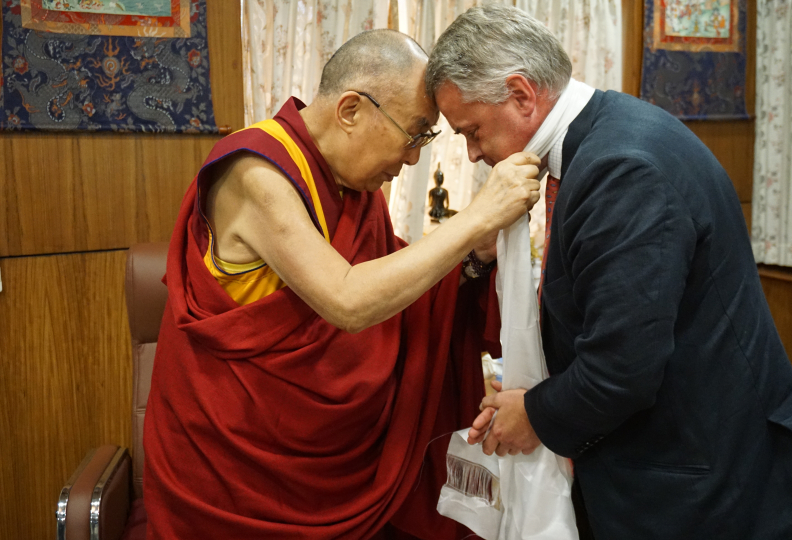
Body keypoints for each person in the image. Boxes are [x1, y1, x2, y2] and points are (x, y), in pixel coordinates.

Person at [426, 5, 792, 539]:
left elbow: (620, 370)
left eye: (473, 131)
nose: (474, 153)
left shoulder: (621, 169)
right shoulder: (604, 133)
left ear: (522, 94)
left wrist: (535, 415)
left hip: (711, 487)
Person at [143, 29, 541, 539]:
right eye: (414, 134)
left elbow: (394, 283)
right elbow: (347, 300)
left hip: (330, 453)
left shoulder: (350, 183)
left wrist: (472, 256)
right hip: (240, 466)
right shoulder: (255, 171)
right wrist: (475, 218)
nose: (413, 159)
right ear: (351, 110)